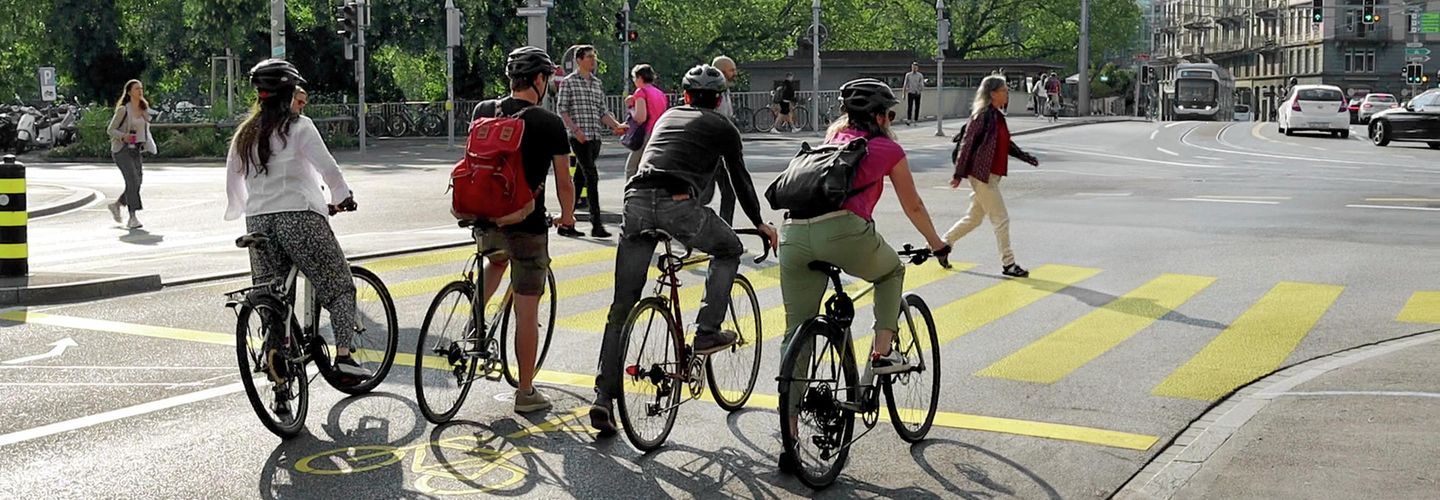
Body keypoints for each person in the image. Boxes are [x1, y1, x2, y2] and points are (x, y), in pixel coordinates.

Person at [589, 64, 779, 435]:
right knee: (728, 249)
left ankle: (602, 398)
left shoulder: (668, 116)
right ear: (720, 99)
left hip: (637, 202)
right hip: (678, 207)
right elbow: (739, 179)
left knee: (621, 307)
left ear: (685, 96)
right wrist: (758, 222)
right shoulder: (723, 127)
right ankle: (707, 330)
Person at [774, 78, 950, 471]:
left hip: (793, 235)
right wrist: (937, 243)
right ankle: (882, 353)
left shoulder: (832, 135)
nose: (892, 120)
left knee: (795, 332)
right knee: (891, 272)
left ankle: (789, 440)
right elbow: (914, 206)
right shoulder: (887, 148)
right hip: (843, 232)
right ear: (879, 116)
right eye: (890, 114)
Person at [223, 59, 366, 415]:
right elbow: (328, 167)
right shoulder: (299, 127)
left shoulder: (245, 133)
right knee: (339, 285)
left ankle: (281, 391)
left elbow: (233, 181)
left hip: (258, 220)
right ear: (289, 93)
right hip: (299, 216)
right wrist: (341, 197)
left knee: (273, 302)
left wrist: (246, 208)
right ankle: (346, 358)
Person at [467, 46, 578, 413]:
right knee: (527, 310)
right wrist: (568, 216)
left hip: (483, 216)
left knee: (496, 260)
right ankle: (526, 392)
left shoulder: (484, 110)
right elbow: (564, 181)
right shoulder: (548, 123)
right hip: (526, 224)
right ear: (539, 80)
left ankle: (473, 322)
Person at [941, 75, 1038, 278]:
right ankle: (1009, 263)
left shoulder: (997, 116)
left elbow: (1006, 144)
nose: (1007, 93)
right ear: (993, 94)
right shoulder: (982, 116)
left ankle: (942, 245)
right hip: (982, 176)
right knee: (1001, 219)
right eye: (1004, 90)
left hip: (992, 176)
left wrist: (1025, 157)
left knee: (974, 218)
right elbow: (966, 145)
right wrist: (958, 174)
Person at [556, 44, 627, 239]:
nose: (592, 60)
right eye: (588, 57)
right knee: (591, 176)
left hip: (595, 137)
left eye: (593, 57)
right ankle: (597, 224)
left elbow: (602, 111)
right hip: (579, 138)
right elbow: (562, 110)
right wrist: (575, 130)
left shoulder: (596, 83)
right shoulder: (569, 82)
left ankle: (566, 221)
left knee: (579, 178)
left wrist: (616, 125)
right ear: (579, 60)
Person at [106, 79, 156, 229]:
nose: (140, 91)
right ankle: (132, 217)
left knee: (138, 181)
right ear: (129, 92)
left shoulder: (143, 108)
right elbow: (110, 129)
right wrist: (123, 136)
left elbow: (146, 128)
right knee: (132, 181)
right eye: (136, 89)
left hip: (136, 149)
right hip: (122, 150)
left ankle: (117, 205)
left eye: (141, 88)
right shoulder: (123, 110)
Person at [709, 55, 740, 224]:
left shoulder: (725, 90)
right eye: (731, 70)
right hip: (711, 151)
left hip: (721, 151)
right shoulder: (714, 92)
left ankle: (724, 230)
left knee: (729, 193)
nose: (734, 73)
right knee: (703, 195)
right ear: (720, 71)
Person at [623, 64, 667, 180]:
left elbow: (640, 117)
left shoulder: (641, 92)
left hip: (646, 133)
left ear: (639, 78)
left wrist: (631, 107)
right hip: (659, 131)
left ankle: (631, 193)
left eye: (634, 78)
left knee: (632, 167)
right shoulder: (660, 93)